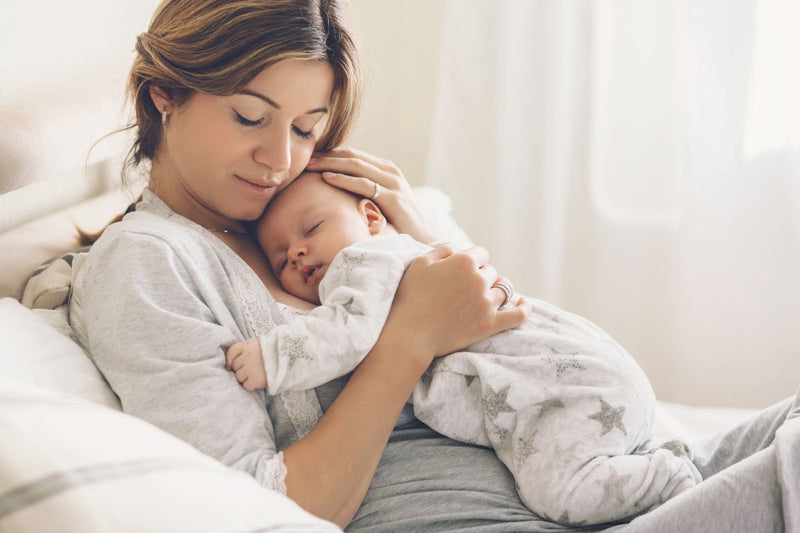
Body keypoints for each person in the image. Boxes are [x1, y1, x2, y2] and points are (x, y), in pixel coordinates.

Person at [67, 1, 799, 531]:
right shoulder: (148, 265)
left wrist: (415, 229)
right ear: (165, 94)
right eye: (249, 117)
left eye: (305, 127)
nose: (279, 158)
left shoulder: (284, 210)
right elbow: (261, 505)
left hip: (594, 474)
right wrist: (408, 334)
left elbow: (500, 331)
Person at [224, 170, 701, 526]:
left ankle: (668, 479)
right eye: (283, 257)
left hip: (563, 389)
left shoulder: (364, 264)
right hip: (586, 381)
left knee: (560, 490)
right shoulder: (414, 259)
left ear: (372, 218)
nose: (299, 253)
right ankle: (662, 462)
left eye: (310, 230)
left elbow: (343, 336)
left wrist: (273, 357)